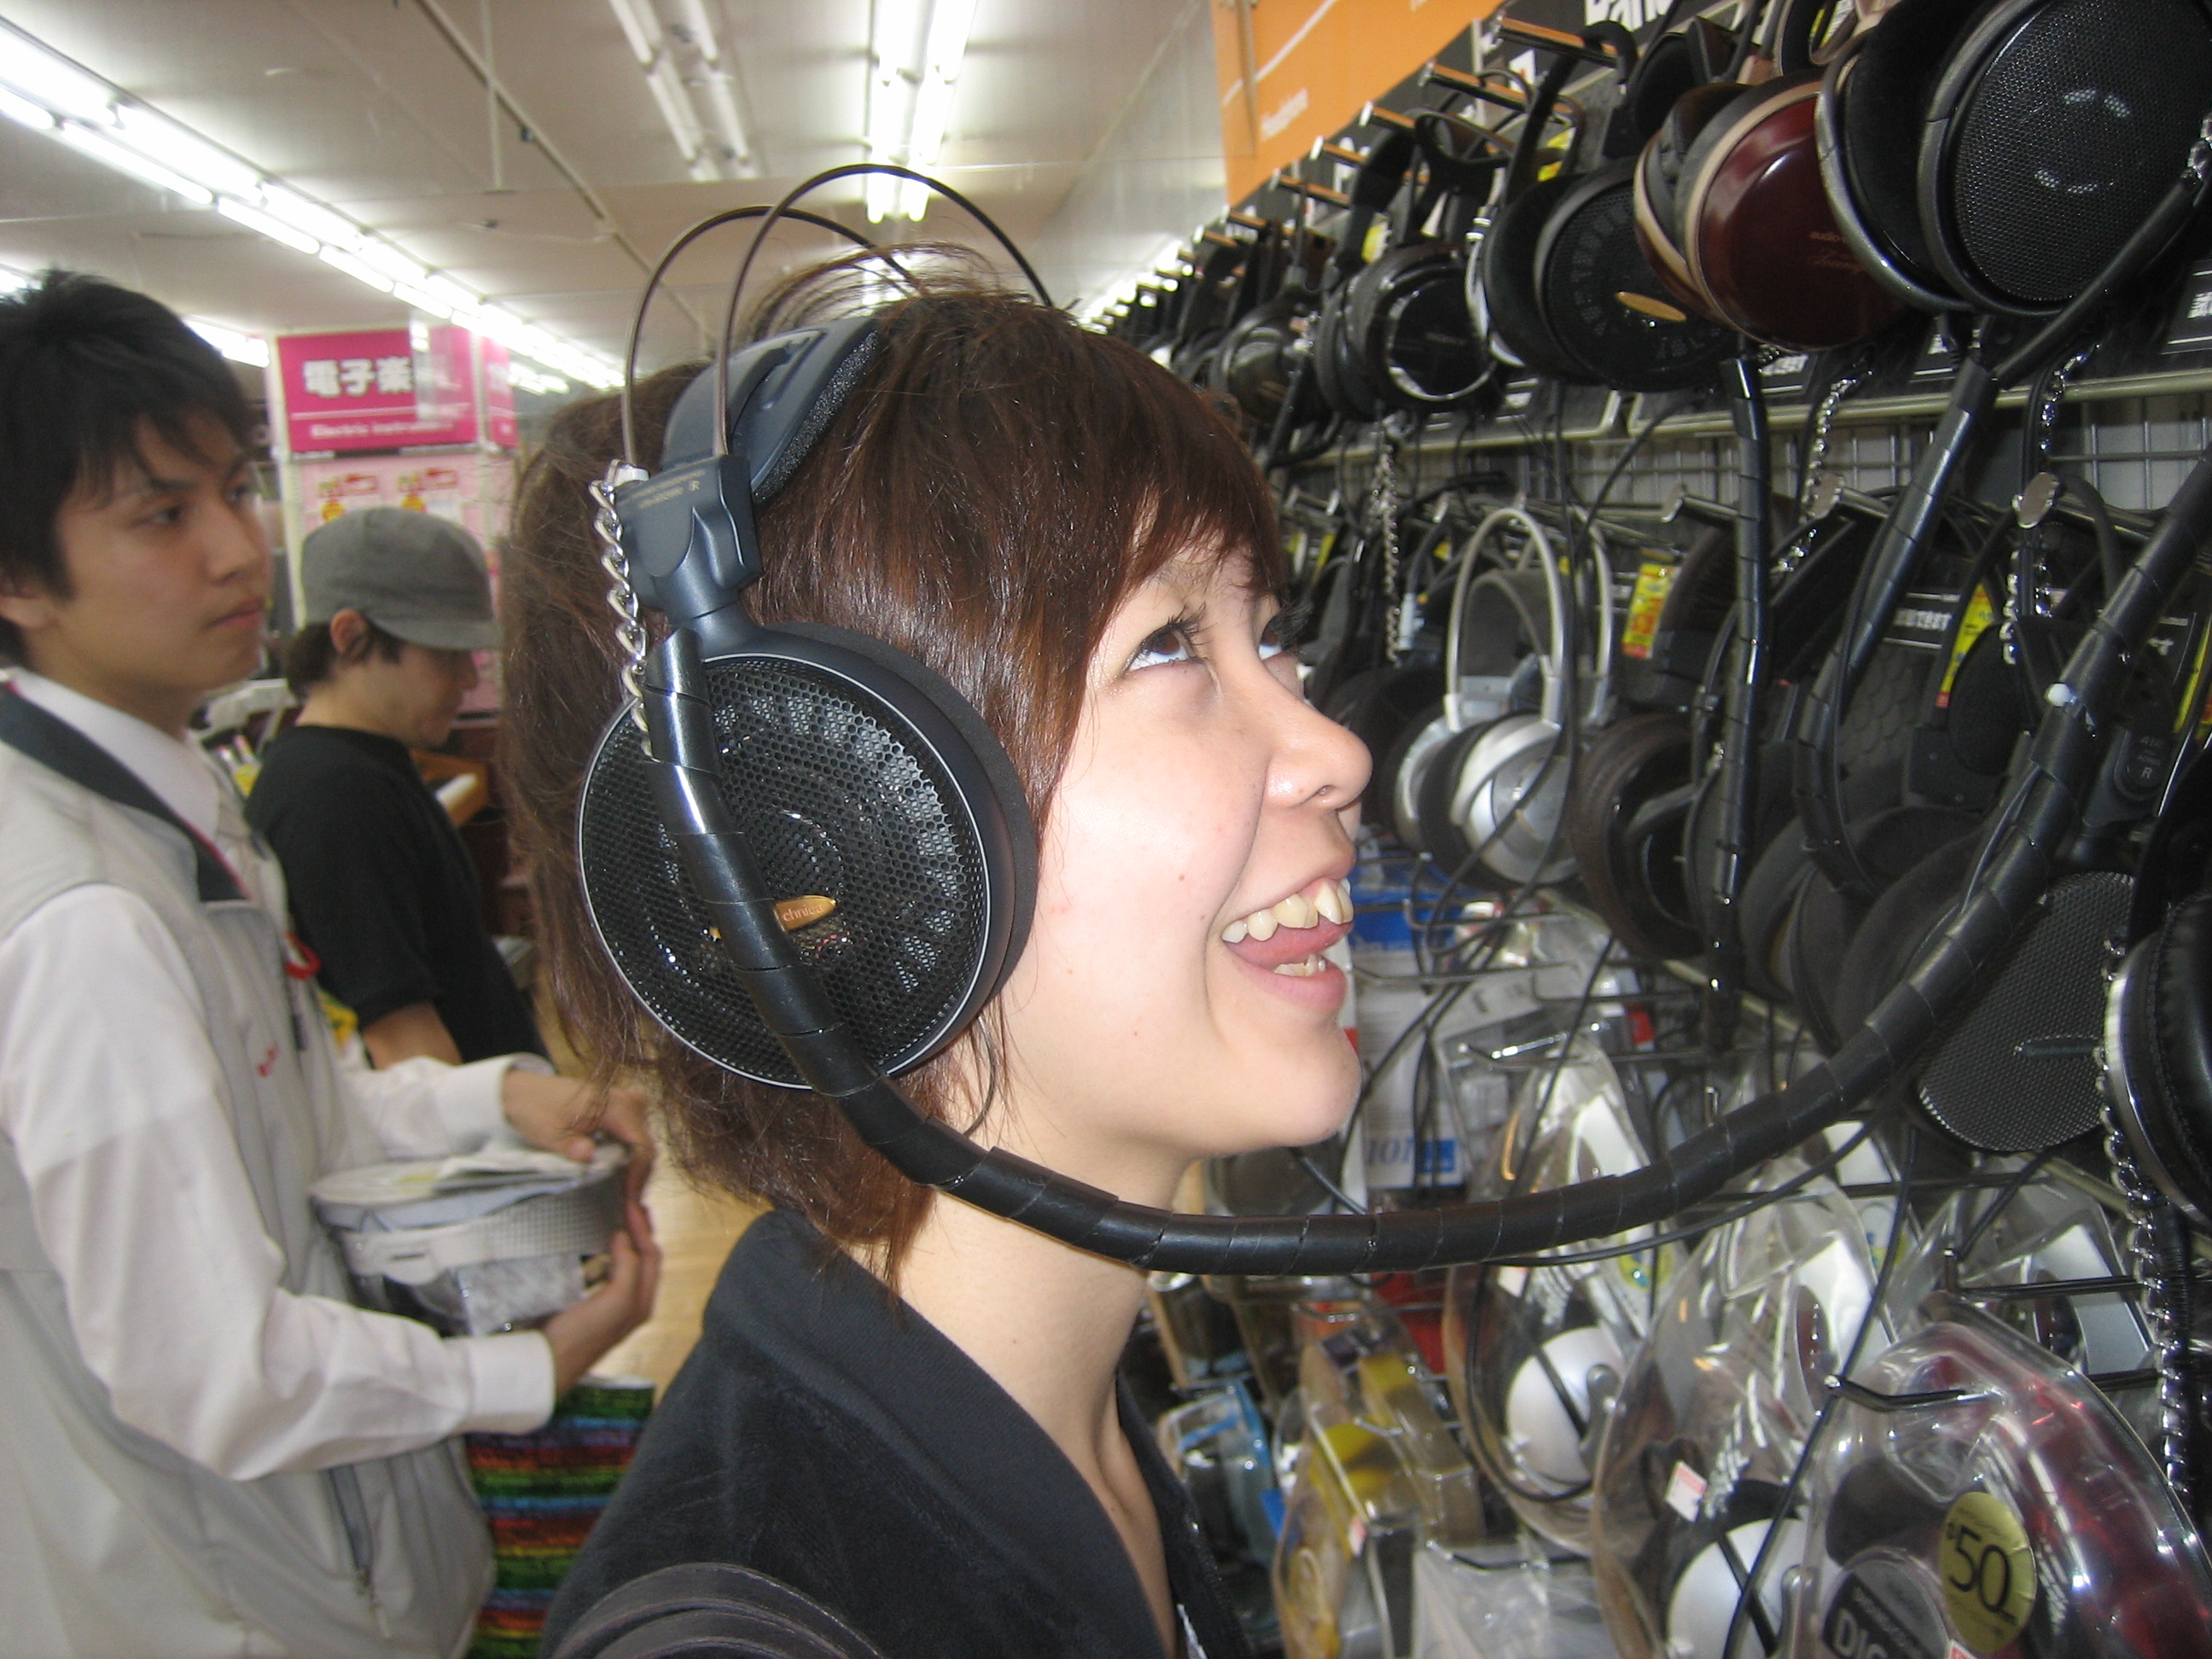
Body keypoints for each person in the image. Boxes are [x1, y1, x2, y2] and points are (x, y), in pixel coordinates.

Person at [508, 258, 1369, 1659]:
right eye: (1168, 647)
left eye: (1264, 638)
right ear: (837, 832)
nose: (1335, 751)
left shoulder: (1051, 1425)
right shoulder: (760, 1632)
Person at [0, 270, 661, 1659]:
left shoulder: (175, 796)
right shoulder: (82, 916)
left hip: (324, 1551)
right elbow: (207, 1369)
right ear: (17, 579)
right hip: (231, 1589)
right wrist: (518, 1369)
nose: (241, 549)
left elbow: (266, 1109)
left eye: (236, 490)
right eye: (161, 516)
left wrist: (495, 1101)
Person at [250, 506, 547, 1066]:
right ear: (350, 637)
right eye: (446, 654)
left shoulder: (365, 765)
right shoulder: (333, 796)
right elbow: (402, 1043)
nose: (468, 678)